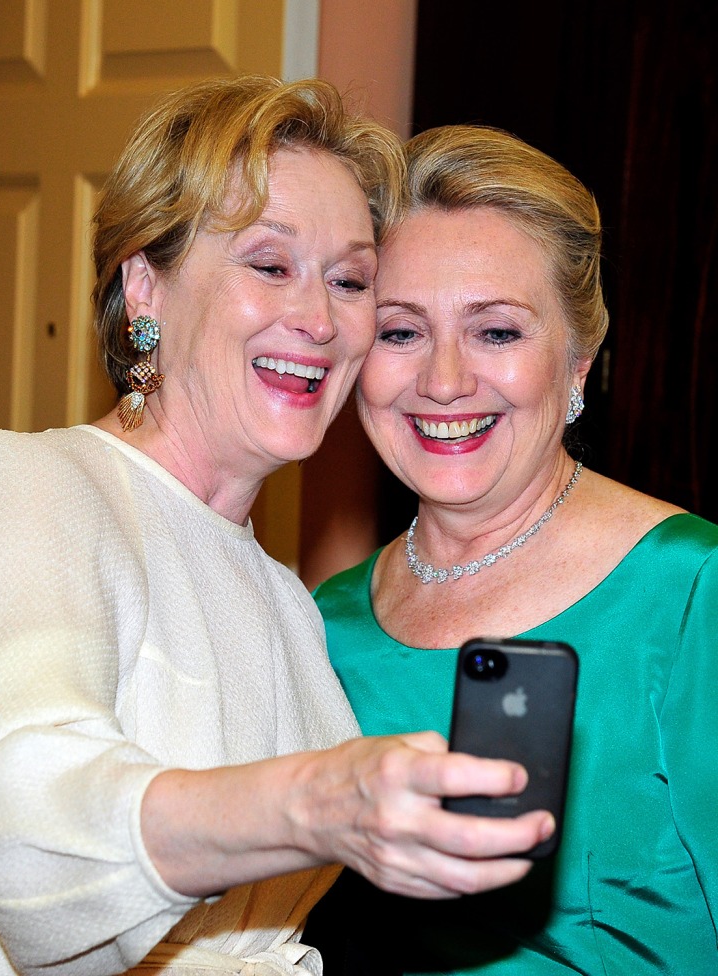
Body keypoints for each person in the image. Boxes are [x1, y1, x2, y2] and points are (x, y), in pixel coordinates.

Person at [0, 82, 556, 976]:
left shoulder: (287, 600)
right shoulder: (40, 482)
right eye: (270, 265)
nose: (318, 320)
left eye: (350, 280)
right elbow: (25, 810)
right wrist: (317, 804)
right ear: (144, 286)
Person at [304, 123, 718, 974]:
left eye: (496, 332)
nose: (445, 381)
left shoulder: (690, 596)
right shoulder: (319, 625)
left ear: (578, 362)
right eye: (400, 331)